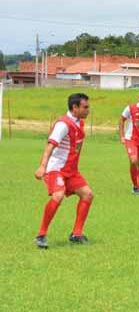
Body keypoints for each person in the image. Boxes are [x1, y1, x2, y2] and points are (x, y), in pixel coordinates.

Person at [33, 93, 94, 248]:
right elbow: (50, 146)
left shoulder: (79, 123)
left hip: (71, 171)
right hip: (56, 169)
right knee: (58, 195)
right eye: (85, 107)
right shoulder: (63, 124)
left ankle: (76, 234)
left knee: (87, 194)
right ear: (75, 108)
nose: (88, 110)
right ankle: (41, 235)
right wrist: (42, 166)